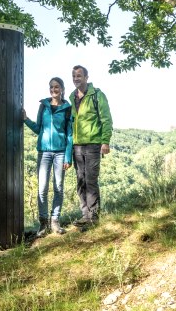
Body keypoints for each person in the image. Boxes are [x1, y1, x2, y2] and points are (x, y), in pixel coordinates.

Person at [23, 77, 73, 236]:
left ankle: (55, 222)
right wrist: (25, 120)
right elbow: (38, 129)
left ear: (62, 88)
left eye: (57, 87)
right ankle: (43, 223)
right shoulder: (43, 106)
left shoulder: (67, 108)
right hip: (44, 152)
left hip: (60, 152)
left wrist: (68, 156)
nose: (54, 89)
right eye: (51, 87)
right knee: (42, 188)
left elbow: (70, 134)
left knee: (58, 187)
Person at [69, 65, 113, 227]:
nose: (76, 78)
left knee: (91, 180)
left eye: (79, 76)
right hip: (77, 146)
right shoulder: (71, 97)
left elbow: (106, 119)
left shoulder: (97, 95)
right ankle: (85, 215)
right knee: (81, 181)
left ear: (86, 77)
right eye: (74, 76)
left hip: (94, 144)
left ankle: (93, 216)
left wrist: (105, 141)